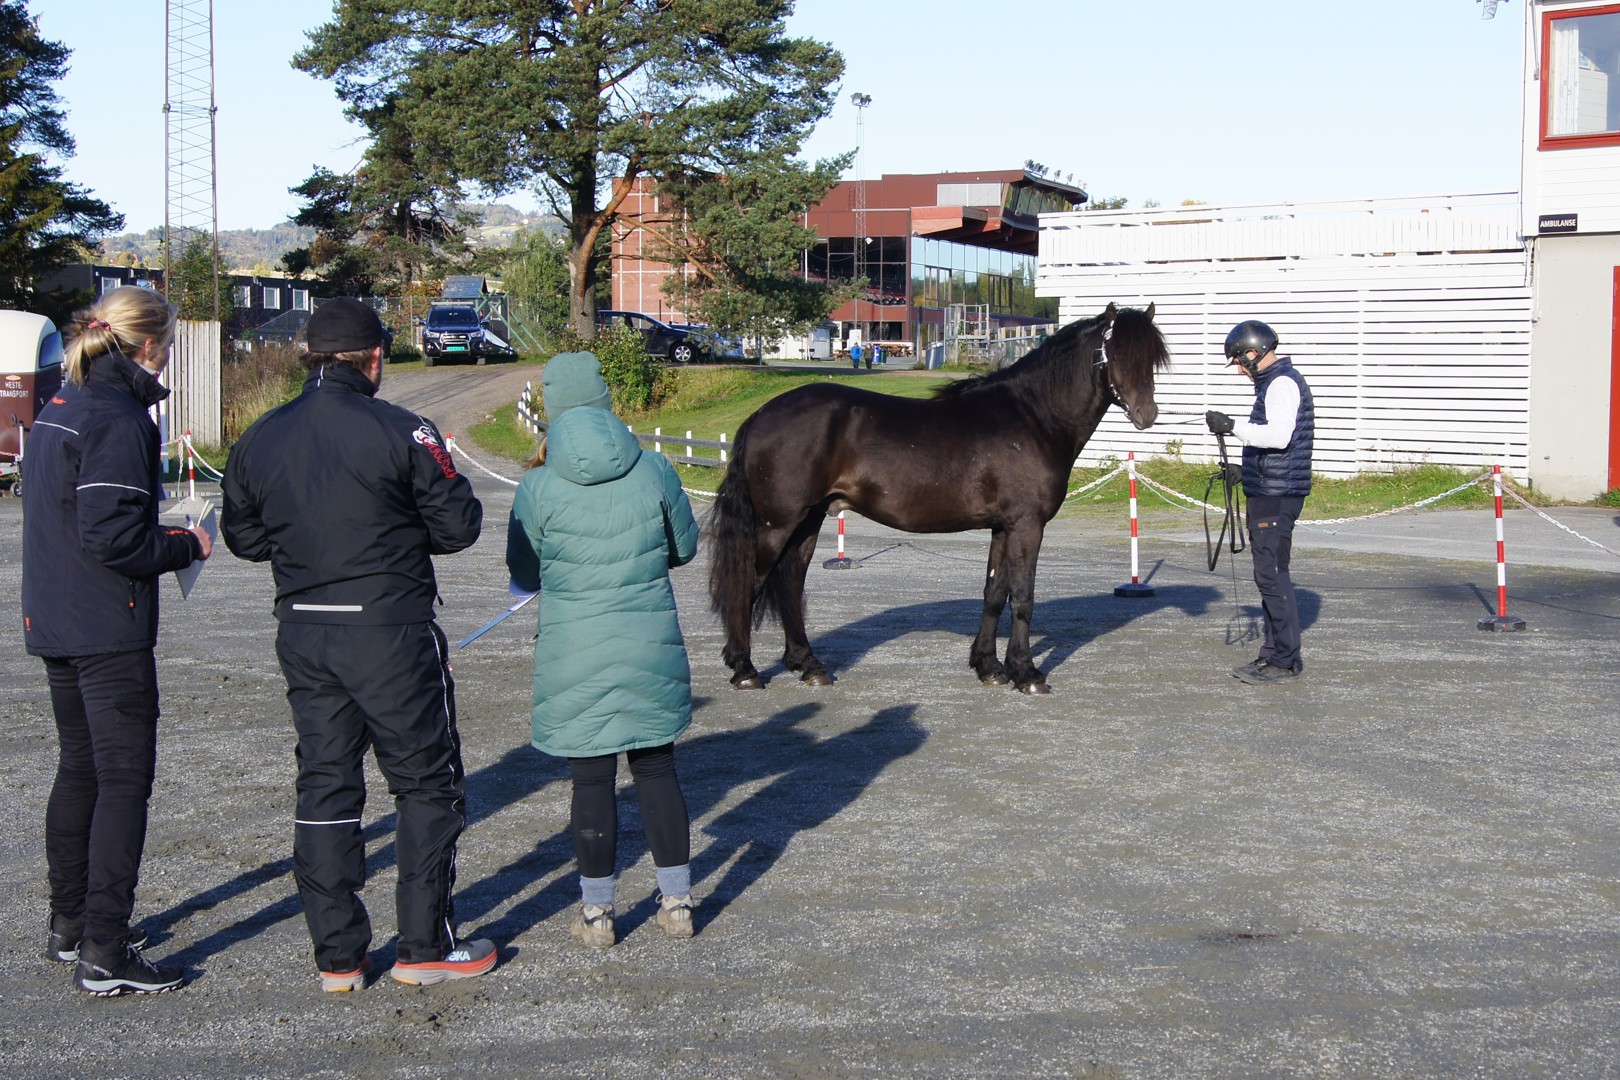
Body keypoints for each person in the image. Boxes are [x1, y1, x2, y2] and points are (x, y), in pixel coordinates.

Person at [222, 298, 495, 990]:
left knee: (326, 783)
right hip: (388, 628)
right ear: (373, 359)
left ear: (310, 357)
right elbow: (459, 525)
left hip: (305, 627)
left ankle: (338, 955)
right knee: (426, 783)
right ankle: (424, 944)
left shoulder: (260, 436)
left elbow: (243, 538)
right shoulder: (404, 429)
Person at [22, 286, 213, 996]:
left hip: (57, 617)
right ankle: (104, 947)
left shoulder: (63, 404)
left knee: (80, 770)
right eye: (170, 343)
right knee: (122, 780)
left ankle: (71, 925)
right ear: (150, 345)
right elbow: (114, 538)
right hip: (105, 625)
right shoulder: (119, 417)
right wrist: (186, 544)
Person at [506, 351, 700, 949]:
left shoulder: (536, 485)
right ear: (604, 401)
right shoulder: (655, 469)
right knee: (657, 769)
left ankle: (597, 915)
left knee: (590, 781)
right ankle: (677, 903)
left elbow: (524, 571)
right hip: (648, 643)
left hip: (575, 649)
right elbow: (684, 548)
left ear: (552, 409)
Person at [1206, 319, 1315, 685]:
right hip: (1272, 489)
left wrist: (1232, 426)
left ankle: (1284, 659)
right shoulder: (1276, 382)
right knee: (1269, 574)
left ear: (1254, 353)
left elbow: (1279, 437)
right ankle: (1274, 652)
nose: (1239, 369)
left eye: (1239, 361)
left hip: (1276, 496)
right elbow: (1279, 446)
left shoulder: (1281, 383)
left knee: (1271, 575)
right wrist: (1246, 471)